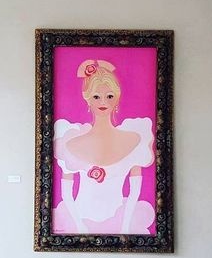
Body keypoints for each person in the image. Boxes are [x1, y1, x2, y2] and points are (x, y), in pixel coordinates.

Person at [52, 59, 155, 235]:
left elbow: (134, 192)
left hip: (120, 219)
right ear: (87, 98)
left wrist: (125, 228)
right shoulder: (70, 143)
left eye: (109, 96)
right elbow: (66, 194)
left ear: (117, 98)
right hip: (80, 222)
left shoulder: (134, 140)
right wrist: (80, 226)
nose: (103, 102)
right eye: (96, 96)